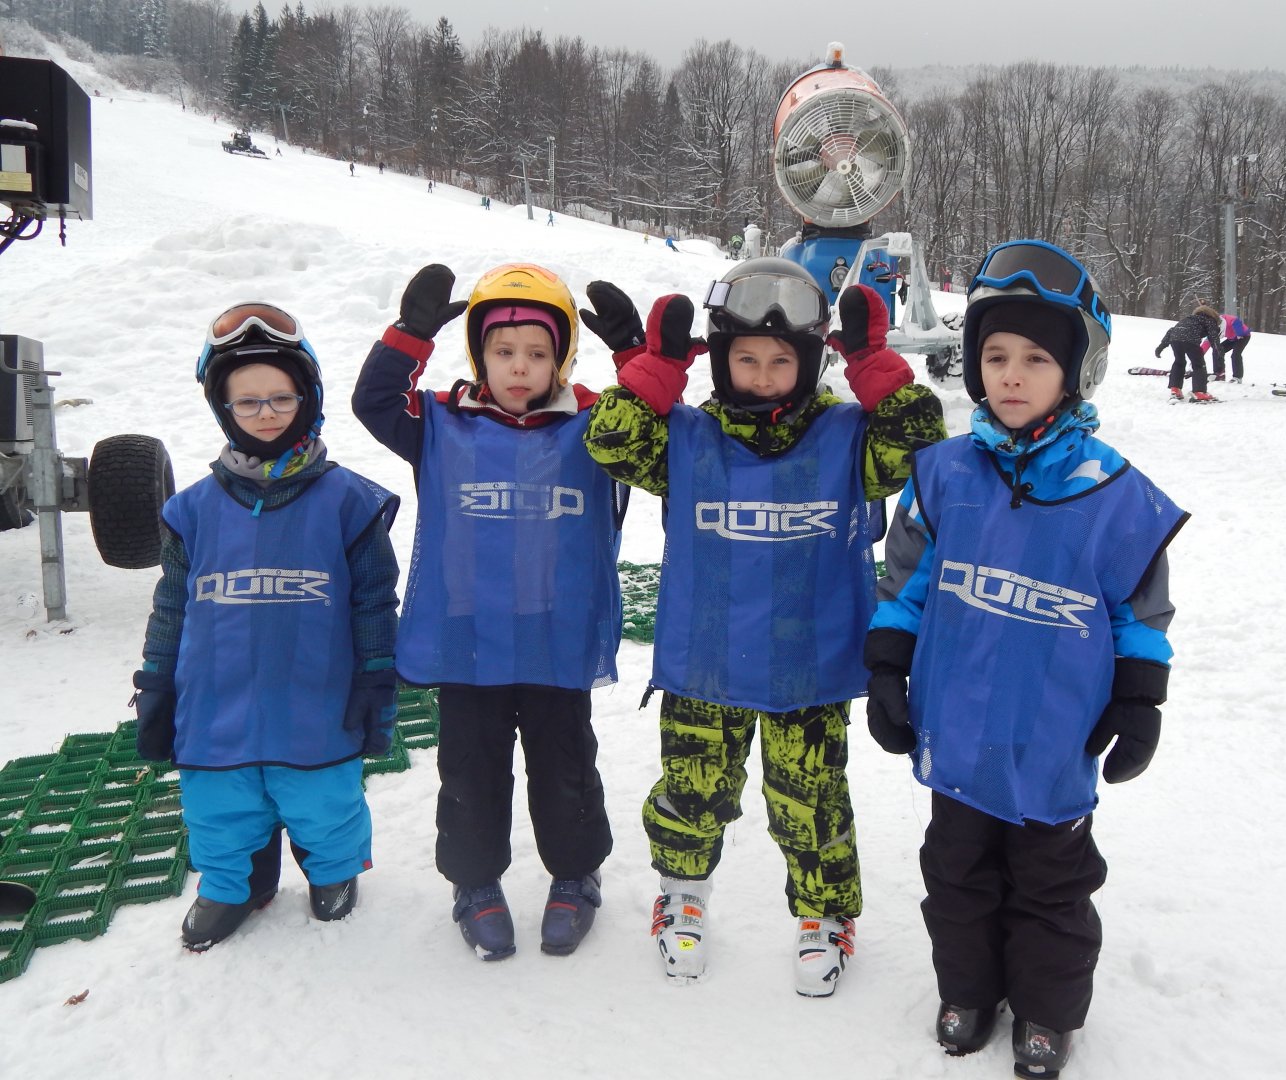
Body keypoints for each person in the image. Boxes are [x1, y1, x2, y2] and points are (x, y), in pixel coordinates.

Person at [863, 239, 1187, 1077]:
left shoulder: (1114, 494)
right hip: (958, 734)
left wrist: (1139, 700)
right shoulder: (942, 476)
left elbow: (1140, 614)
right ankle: (968, 990)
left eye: (1037, 358)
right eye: (996, 355)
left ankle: (1046, 1009)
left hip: (1052, 739)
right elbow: (905, 585)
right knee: (956, 873)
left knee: (1051, 885)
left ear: (1075, 372)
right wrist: (888, 667)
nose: (1012, 375)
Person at [581, 259, 947, 995]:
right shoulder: (686, 439)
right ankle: (681, 896)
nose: (763, 377)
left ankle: (825, 916)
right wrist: (655, 368)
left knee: (811, 803)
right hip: (706, 663)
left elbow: (922, 446)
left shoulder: (849, 440)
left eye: (782, 362)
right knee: (692, 795)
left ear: (810, 362)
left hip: (807, 667)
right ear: (720, 361)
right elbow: (610, 443)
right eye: (745, 360)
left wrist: (874, 363)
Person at [352, 263, 625, 962]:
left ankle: (575, 874)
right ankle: (474, 883)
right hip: (468, 638)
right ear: (479, 354)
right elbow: (374, 402)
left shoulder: (595, 425)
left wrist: (635, 354)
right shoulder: (442, 422)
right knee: (471, 771)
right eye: (503, 351)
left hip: (555, 635)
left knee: (565, 766)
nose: (519, 367)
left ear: (561, 358)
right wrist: (408, 336)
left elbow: (653, 430)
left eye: (537, 352)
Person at [132, 304, 401, 952]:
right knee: (219, 804)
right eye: (247, 402)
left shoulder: (350, 503)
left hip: (315, 698)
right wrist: (157, 682)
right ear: (223, 408)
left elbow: (373, 600)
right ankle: (231, 885)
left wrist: (376, 678)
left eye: (281, 397)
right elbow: (172, 604)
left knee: (322, 798)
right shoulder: (192, 510)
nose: (267, 414)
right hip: (215, 701)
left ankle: (333, 872)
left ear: (308, 398)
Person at [1154, 304, 1222, 401]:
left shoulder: (1188, 318)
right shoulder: (1209, 320)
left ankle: (1175, 389)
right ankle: (1199, 392)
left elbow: (1172, 330)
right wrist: (1219, 354)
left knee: (1179, 362)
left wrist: (1161, 346)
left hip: (1175, 339)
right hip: (1191, 340)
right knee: (1199, 365)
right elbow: (1214, 338)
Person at [1214, 312, 1251, 382]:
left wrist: (1239, 332)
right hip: (1232, 338)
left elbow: (1236, 321)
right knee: (1217, 350)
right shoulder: (1212, 327)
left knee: (1235, 354)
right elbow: (1206, 343)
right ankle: (1220, 374)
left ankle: (1238, 377)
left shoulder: (1227, 319)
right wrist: (1200, 353)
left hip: (1244, 336)